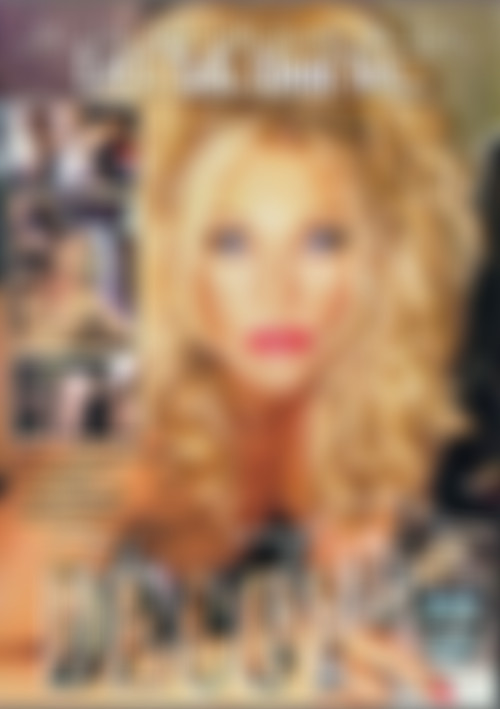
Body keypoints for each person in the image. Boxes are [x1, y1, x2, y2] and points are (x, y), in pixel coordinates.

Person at [99, 3, 480, 703]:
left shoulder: (383, 399)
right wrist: (220, 679)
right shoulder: (103, 411)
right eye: (231, 241)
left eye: (322, 240)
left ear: (385, 251)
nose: (278, 292)